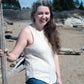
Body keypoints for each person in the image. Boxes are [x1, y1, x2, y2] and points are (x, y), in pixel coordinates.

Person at [0, 0, 62, 84]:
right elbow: (14, 55)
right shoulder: (27, 32)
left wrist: (58, 77)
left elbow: (54, 55)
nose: (44, 16)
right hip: (36, 78)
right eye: (40, 13)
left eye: (46, 13)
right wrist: (6, 54)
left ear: (50, 15)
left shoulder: (50, 31)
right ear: (34, 14)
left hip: (52, 79)